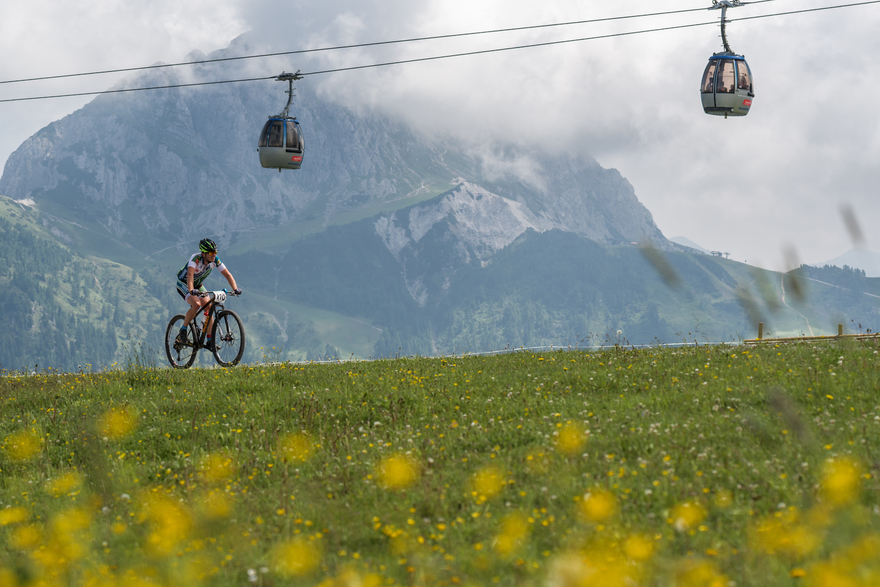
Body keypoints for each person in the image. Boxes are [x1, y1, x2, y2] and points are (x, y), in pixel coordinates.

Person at [175, 238, 241, 350]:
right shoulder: (195, 259)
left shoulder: (215, 260)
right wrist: (191, 290)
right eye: (211, 252)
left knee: (209, 308)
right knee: (196, 304)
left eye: (215, 252)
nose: (214, 255)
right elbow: (190, 276)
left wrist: (235, 288)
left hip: (198, 285)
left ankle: (210, 341)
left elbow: (228, 275)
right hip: (185, 284)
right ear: (204, 253)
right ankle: (183, 329)